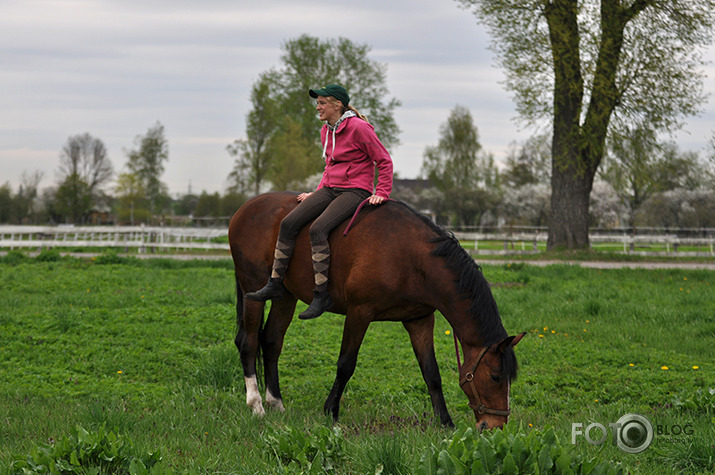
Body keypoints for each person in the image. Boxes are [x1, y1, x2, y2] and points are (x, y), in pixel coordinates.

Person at [245, 84, 393, 320]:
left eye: (322, 102)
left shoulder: (358, 128)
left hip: (355, 191)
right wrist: (318, 193)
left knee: (318, 229)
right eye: (318, 102)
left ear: (337, 105)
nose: (318, 107)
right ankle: (275, 283)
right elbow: (330, 166)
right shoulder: (327, 130)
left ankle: (321, 295)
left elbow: (384, 161)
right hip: (330, 189)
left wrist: (382, 191)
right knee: (289, 222)